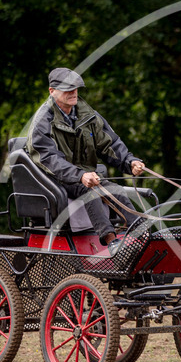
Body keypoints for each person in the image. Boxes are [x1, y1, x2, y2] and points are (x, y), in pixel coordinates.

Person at [26, 67, 146, 255]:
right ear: (52, 91)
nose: (73, 92)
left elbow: (109, 144)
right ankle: (111, 241)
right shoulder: (42, 120)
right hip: (53, 179)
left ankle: (143, 235)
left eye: (75, 87)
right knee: (91, 191)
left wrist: (130, 162)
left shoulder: (88, 114)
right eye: (67, 88)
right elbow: (49, 159)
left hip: (86, 174)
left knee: (116, 191)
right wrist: (80, 175)